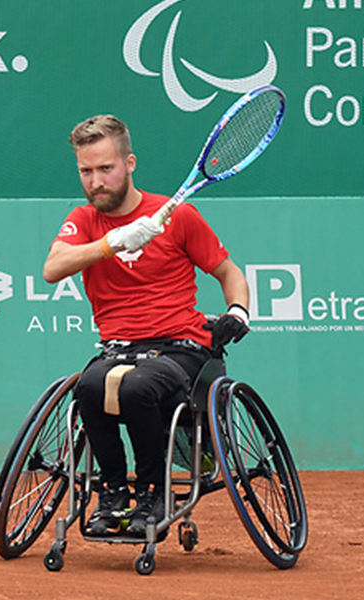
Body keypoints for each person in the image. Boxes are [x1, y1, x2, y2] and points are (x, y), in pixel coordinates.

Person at [43, 114, 251, 539]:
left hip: (181, 348)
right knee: (87, 388)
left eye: (106, 168)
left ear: (129, 163)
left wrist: (237, 312)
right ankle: (114, 494)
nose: (96, 181)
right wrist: (112, 243)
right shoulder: (83, 220)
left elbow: (230, 273)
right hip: (118, 348)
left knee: (138, 389)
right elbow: (53, 268)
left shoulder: (179, 216)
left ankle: (154, 494)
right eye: (86, 171)